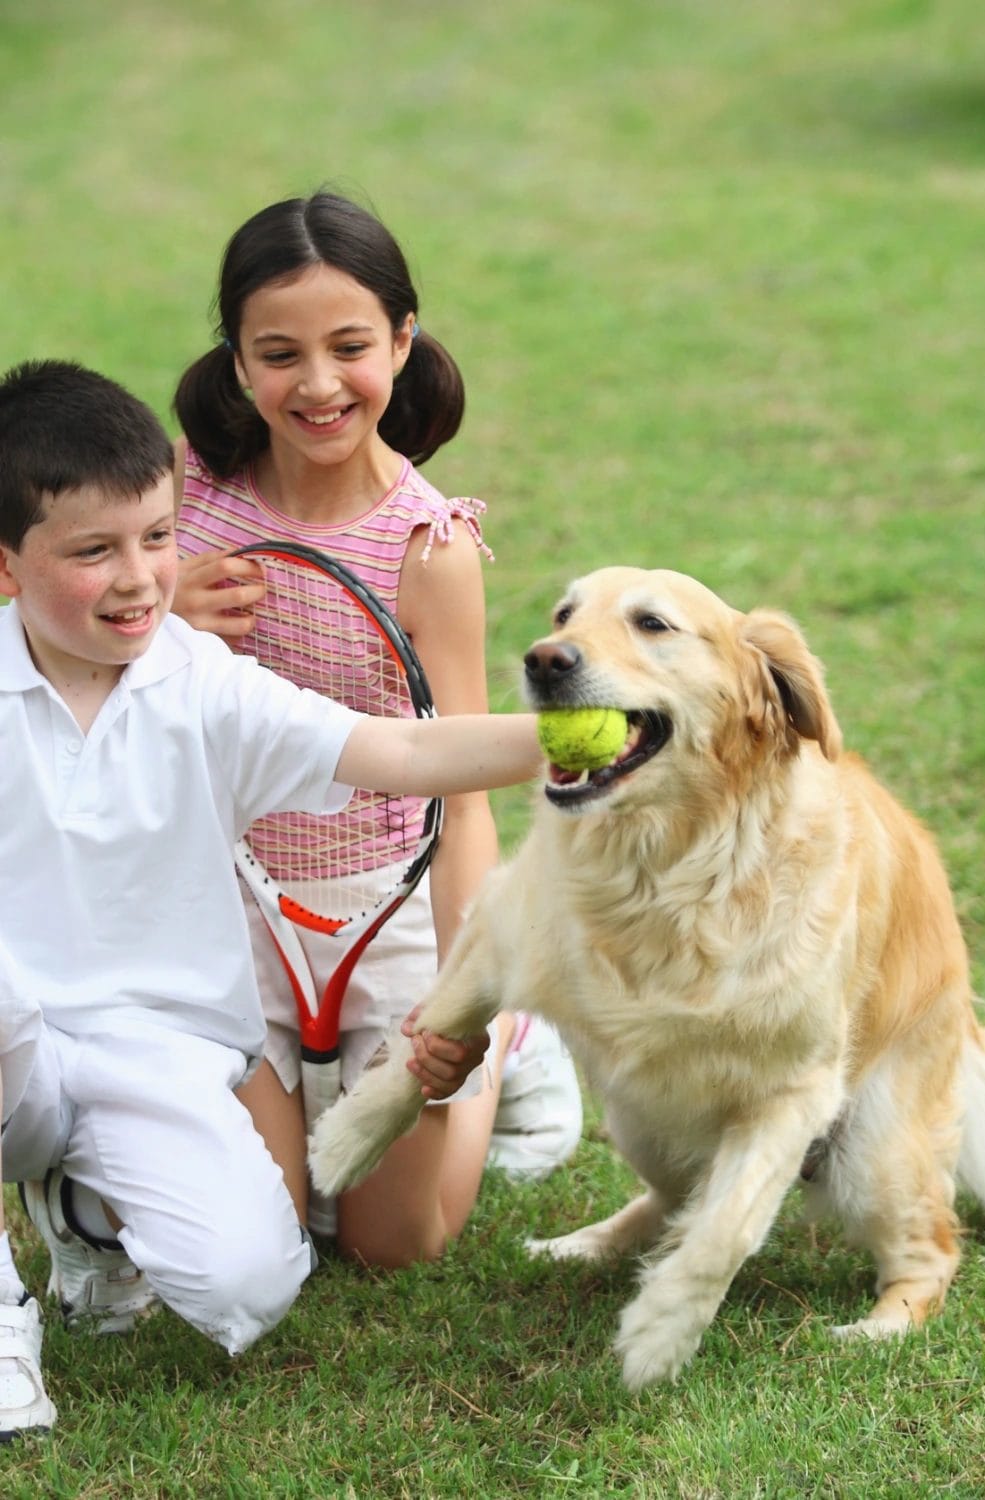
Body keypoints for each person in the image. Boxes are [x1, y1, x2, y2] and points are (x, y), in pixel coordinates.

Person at [0, 357, 546, 1437]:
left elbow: (398, 748)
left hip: (149, 1045)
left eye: (157, 538)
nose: (140, 579)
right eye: (93, 552)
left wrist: (591, 736)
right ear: (6, 566)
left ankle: (86, 1215)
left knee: (252, 1285)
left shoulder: (202, 679)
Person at [171, 191, 582, 1265]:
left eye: (349, 346)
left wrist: (461, 998)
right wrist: (161, 607)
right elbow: (56, 641)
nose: (316, 384)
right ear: (235, 360)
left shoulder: (427, 545)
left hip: (384, 900)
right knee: (273, 1223)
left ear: (400, 341)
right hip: (230, 897)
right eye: (278, 353)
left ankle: (518, 1050)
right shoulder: (182, 493)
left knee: (391, 1247)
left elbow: (460, 787)